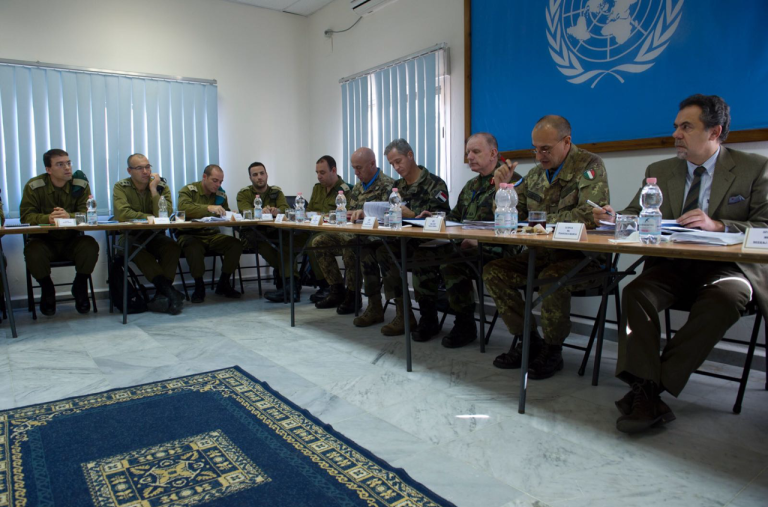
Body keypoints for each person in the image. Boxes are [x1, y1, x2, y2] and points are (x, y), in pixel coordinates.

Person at [592, 94, 768, 434]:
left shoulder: (753, 168)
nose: (676, 134)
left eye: (686, 127)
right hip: (674, 267)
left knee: (726, 300)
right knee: (636, 292)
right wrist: (614, 218)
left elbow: (765, 227)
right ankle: (649, 389)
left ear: (715, 132)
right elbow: (635, 213)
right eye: (676, 127)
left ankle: (648, 389)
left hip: (730, 270)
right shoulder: (659, 171)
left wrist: (719, 225)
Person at [483, 116, 609, 379]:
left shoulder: (590, 166)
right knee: (493, 271)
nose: (539, 156)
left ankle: (553, 349)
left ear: (566, 142)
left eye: (546, 149)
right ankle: (529, 341)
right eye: (535, 149)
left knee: (552, 278)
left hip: (582, 258)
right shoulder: (535, 174)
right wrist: (501, 191)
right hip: (541, 253)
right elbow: (511, 213)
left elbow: (590, 215)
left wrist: (539, 223)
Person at [412, 133, 523, 347]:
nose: (470, 157)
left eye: (475, 151)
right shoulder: (471, 185)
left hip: (497, 250)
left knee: (453, 263)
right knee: (422, 255)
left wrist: (478, 240)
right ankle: (428, 319)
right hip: (465, 247)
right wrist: (435, 218)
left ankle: (465, 324)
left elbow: (518, 225)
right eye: (467, 153)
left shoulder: (513, 182)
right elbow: (455, 218)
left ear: (493, 153)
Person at [371, 139, 450, 335]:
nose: (396, 167)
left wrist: (413, 216)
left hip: (429, 244)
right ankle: (403, 313)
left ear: (410, 155)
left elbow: (442, 221)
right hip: (403, 241)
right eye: (392, 164)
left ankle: (428, 318)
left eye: (398, 161)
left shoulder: (435, 184)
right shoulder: (397, 187)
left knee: (420, 258)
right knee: (383, 252)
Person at [313, 148, 394, 315]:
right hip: (354, 233)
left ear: (372, 164)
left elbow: (392, 216)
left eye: (359, 168)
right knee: (319, 242)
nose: (356, 172)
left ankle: (353, 295)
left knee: (351, 246)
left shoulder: (388, 186)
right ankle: (336, 290)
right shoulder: (357, 187)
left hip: (376, 238)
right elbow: (350, 212)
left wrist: (366, 215)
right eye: (354, 168)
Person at [20, 149, 100, 316]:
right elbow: (26, 216)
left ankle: (80, 285)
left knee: (90, 245)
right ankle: (47, 288)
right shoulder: (34, 186)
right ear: (48, 170)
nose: (67, 168)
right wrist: (47, 218)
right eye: (60, 164)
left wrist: (68, 217)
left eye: (69, 163)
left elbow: (88, 216)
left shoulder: (80, 185)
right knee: (32, 250)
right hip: (43, 241)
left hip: (71, 240)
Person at [113, 153, 184, 314]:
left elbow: (164, 215)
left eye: (147, 167)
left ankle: (162, 295)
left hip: (154, 236)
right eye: (139, 168)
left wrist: (153, 190)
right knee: (137, 250)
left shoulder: (160, 186)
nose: (145, 171)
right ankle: (169, 293)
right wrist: (149, 217)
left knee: (172, 246)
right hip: (130, 236)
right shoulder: (121, 186)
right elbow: (122, 213)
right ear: (129, 171)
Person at [177, 164, 243, 302]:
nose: (218, 185)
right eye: (215, 180)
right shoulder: (189, 190)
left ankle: (223, 283)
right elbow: (184, 208)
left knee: (235, 244)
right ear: (204, 177)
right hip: (190, 234)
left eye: (221, 182)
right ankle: (199, 286)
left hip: (212, 235)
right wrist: (208, 208)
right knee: (193, 247)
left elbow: (225, 213)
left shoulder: (221, 195)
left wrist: (231, 215)